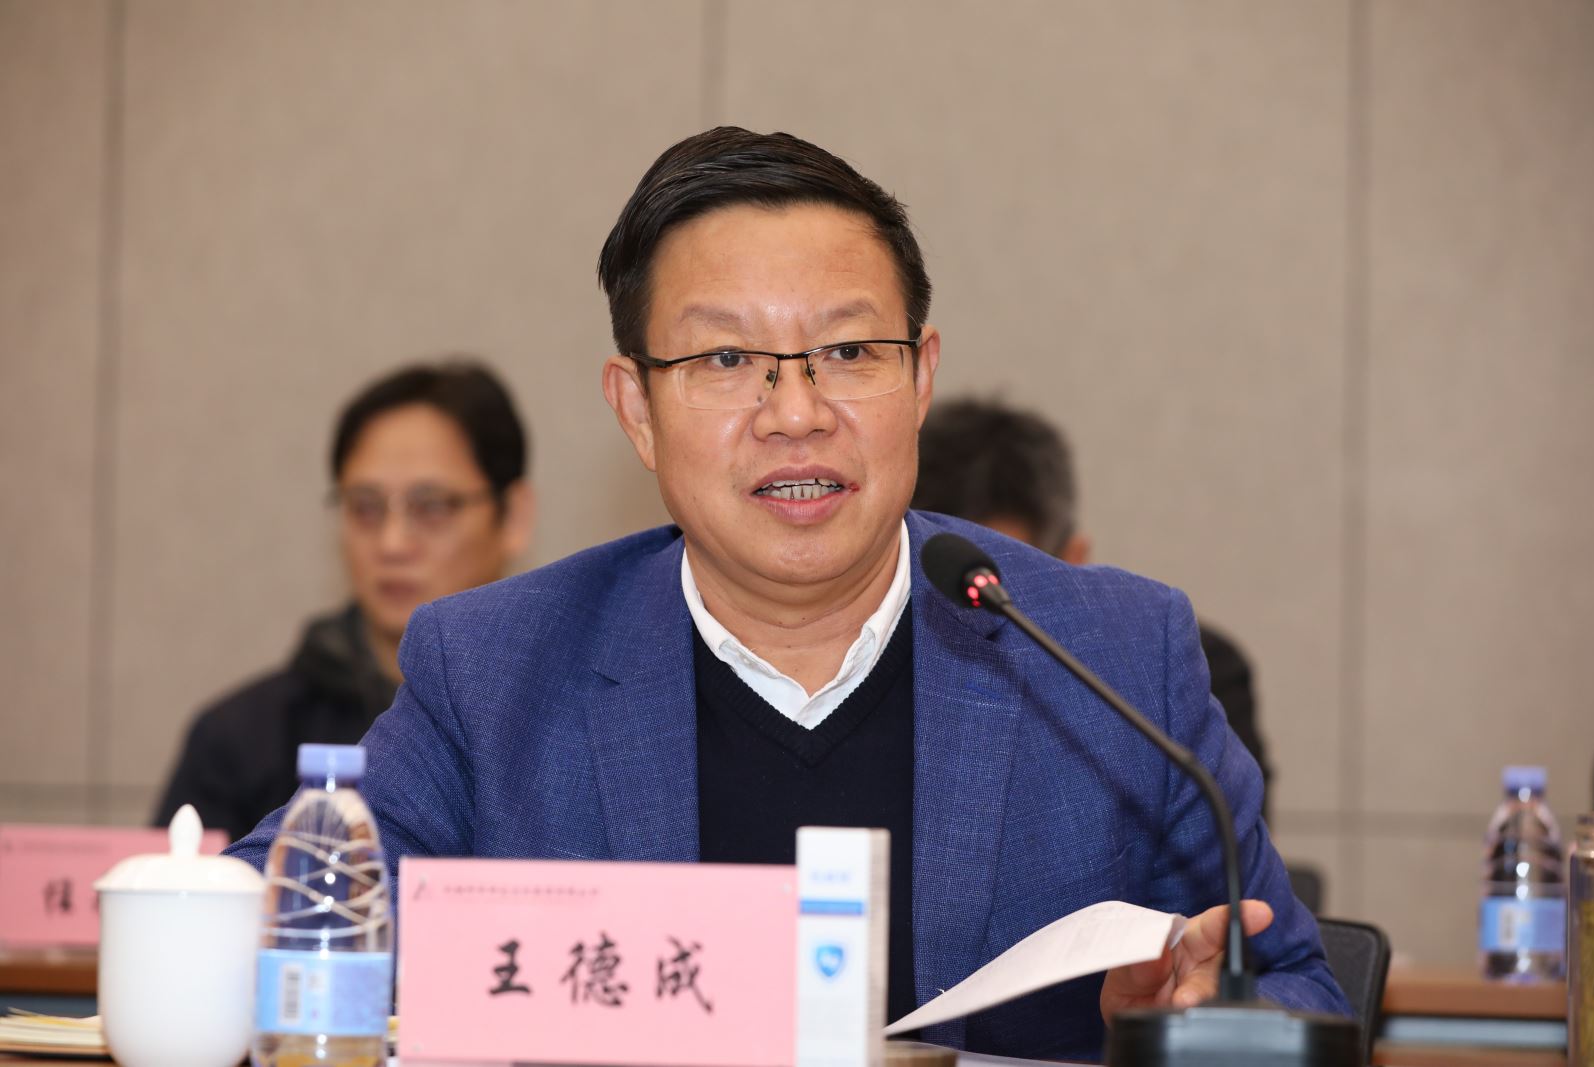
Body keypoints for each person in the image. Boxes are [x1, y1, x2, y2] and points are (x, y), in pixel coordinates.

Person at [228, 128, 1346, 1059]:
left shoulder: (1112, 652)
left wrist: (1195, 1025)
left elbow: (1296, 987)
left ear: (921, 377)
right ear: (635, 410)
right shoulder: (495, 669)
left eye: (849, 351)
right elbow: (279, 917)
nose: (797, 412)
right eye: (725, 362)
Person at [156, 361, 533, 842]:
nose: (393, 543)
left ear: (513, 516)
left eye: (432, 506)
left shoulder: (566, 722)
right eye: (365, 507)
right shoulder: (240, 739)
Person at [912, 397, 1274, 820]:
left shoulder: (1174, 675)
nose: (973, 618)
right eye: (955, 583)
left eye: (995, 582)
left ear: (1074, 560)